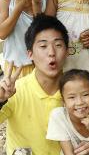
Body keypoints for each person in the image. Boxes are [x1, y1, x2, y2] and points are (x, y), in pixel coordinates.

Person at [0, 14, 69, 155]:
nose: (51, 53)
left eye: (58, 45)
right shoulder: (15, 90)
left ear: (67, 52)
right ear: (30, 54)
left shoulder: (78, 92)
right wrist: (1, 100)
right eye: (43, 46)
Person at [47, 69, 89, 154]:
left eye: (85, 95)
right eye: (71, 97)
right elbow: (68, 153)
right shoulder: (59, 116)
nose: (79, 102)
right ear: (63, 101)